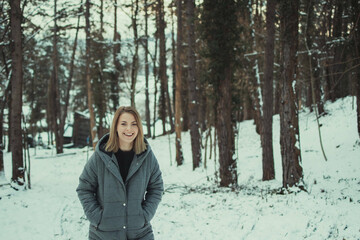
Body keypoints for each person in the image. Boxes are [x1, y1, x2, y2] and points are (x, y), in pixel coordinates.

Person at [76, 106, 164, 240]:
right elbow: (84, 188)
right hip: (104, 234)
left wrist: (145, 215)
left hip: (139, 233)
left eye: (134, 124)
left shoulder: (147, 157)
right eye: (124, 124)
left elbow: (156, 187)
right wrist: (97, 217)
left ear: (139, 127)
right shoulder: (101, 156)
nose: (129, 129)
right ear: (115, 126)